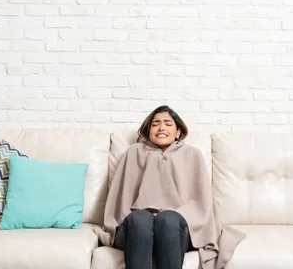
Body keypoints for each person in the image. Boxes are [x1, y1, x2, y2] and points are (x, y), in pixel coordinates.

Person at [94, 105, 246, 269]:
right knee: (141, 219)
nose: (161, 127)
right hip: (136, 229)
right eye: (155, 124)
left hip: (176, 228)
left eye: (167, 123)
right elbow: (120, 197)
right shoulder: (134, 152)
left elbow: (202, 202)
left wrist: (165, 218)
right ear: (149, 130)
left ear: (178, 132)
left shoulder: (192, 155)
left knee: (168, 219)